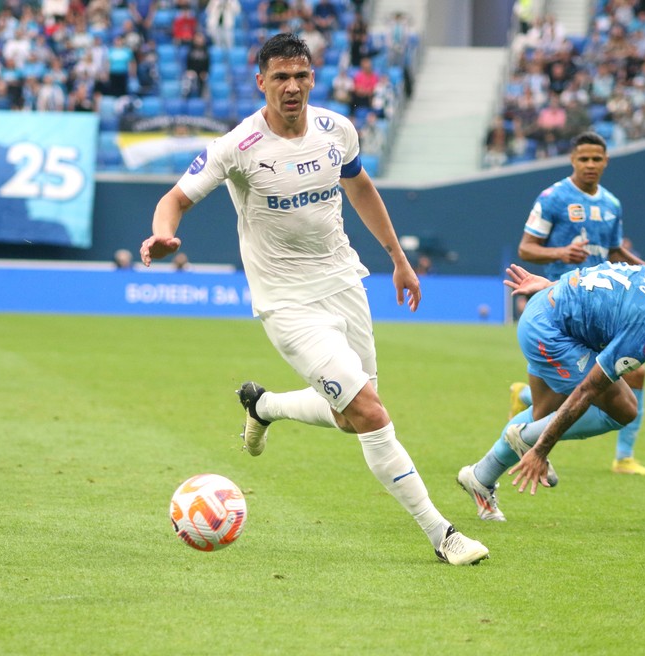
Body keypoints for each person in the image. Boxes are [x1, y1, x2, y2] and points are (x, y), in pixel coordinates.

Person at [139, 33, 487, 566]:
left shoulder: (336, 130)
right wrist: (164, 235)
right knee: (369, 413)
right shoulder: (238, 146)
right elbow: (175, 199)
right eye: (281, 77)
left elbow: (361, 188)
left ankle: (264, 406)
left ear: (312, 79)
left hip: (344, 283)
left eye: (301, 76)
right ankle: (443, 535)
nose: (292, 87)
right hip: (286, 303)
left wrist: (398, 258)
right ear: (261, 82)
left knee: (350, 418)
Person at [458, 262, 645, 519]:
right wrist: (541, 449)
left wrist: (556, 288)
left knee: (542, 414)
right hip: (550, 334)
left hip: (547, 310)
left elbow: (608, 275)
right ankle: (526, 438)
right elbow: (587, 391)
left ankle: (480, 478)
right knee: (624, 409)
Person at [508, 131, 645, 477]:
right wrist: (561, 252)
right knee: (590, 383)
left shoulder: (611, 204)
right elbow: (526, 248)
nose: (590, 164)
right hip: (562, 306)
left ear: (606, 161)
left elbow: (614, 251)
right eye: (584, 158)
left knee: (630, 372)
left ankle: (623, 457)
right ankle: (527, 408)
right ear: (572, 160)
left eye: (596, 159)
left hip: (601, 306)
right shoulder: (553, 198)